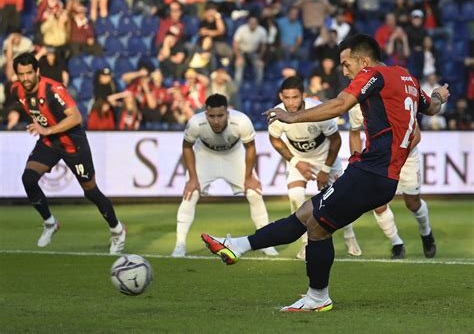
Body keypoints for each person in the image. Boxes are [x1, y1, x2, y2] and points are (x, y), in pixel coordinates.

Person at [201, 34, 449, 312]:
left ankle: (318, 298)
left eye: (346, 64)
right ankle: (237, 245)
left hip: (370, 172)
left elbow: (339, 105)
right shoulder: (408, 79)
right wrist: (440, 93)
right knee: (308, 215)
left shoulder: (373, 74)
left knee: (317, 226)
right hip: (378, 175)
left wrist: (293, 117)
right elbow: (433, 106)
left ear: (363, 61)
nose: (344, 72)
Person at [11, 52, 126, 254]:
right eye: (22, 74)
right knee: (28, 178)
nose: (26, 78)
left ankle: (117, 230)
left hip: (73, 144)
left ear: (37, 71)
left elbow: (76, 117)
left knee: (90, 191)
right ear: (17, 75)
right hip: (49, 143)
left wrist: (47, 129)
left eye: (30, 73)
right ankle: (50, 223)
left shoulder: (53, 89)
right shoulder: (17, 90)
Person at [171, 94, 278, 258]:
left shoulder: (241, 121)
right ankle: (180, 245)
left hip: (233, 155)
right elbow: (187, 147)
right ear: (206, 114)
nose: (216, 121)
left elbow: (250, 148)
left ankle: (266, 244)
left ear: (227, 113)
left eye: (220, 116)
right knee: (189, 194)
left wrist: (249, 177)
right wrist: (192, 179)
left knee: (254, 193)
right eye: (211, 116)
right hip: (205, 155)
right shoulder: (195, 123)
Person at [268, 76, 361, 259]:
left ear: (303, 95)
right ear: (281, 96)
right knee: (295, 196)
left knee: (338, 200)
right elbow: (274, 139)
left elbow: (336, 141)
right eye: (286, 98)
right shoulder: (277, 114)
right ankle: (305, 243)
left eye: (295, 97)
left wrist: (325, 170)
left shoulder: (317, 110)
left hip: (326, 159)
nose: (291, 102)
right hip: (299, 159)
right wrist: (296, 163)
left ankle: (349, 236)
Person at [349, 104, 436, 259]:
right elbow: (354, 132)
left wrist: (395, 156)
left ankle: (426, 232)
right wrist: (356, 161)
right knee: (377, 203)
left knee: (413, 203)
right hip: (378, 161)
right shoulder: (356, 106)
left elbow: (416, 135)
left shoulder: (392, 97)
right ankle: (397, 244)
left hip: (407, 157)